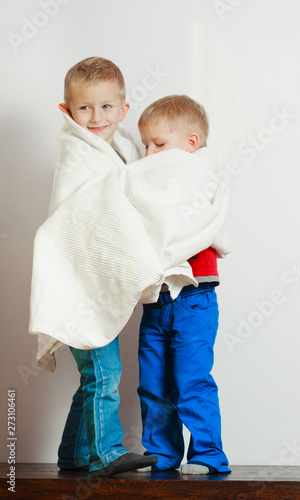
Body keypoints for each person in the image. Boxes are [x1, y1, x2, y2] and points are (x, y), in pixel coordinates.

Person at [55, 57, 158, 477]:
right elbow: (80, 217)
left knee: (94, 376)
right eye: (84, 108)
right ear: (67, 111)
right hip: (80, 287)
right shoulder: (79, 157)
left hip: (97, 287)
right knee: (105, 373)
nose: (96, 117)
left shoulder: (123, 149)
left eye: (106, 107)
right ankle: (105, 453)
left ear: (124, 109)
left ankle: (72, 455)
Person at [136, 95, 231, 475]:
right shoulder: (147, 182)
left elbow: (204, 221)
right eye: (145, 144)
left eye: (159, 145)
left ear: (191, 144)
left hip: (195, 298)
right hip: (156, 302)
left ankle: (208, 455)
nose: (149, 153)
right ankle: (162, 455)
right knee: (153, 385)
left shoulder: (201, 175)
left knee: (192, 381)